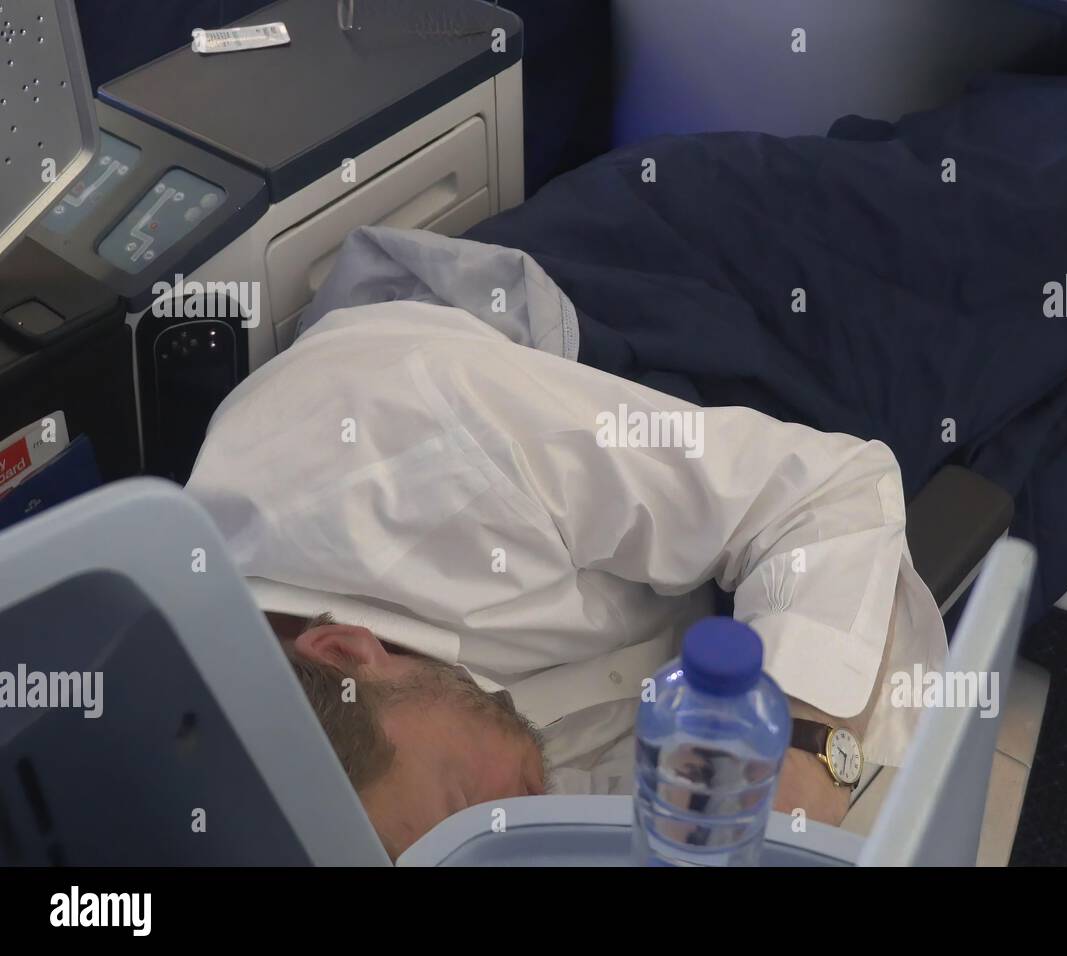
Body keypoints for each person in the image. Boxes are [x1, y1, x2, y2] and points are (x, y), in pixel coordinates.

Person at [185, 299, 946, 859]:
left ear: (348, 652)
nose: (498, 834)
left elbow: (820, 496)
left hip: (684, 316)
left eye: (459, 806)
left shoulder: (434, 446)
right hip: (699, 585)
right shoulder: (408, 788)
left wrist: (807, 759)